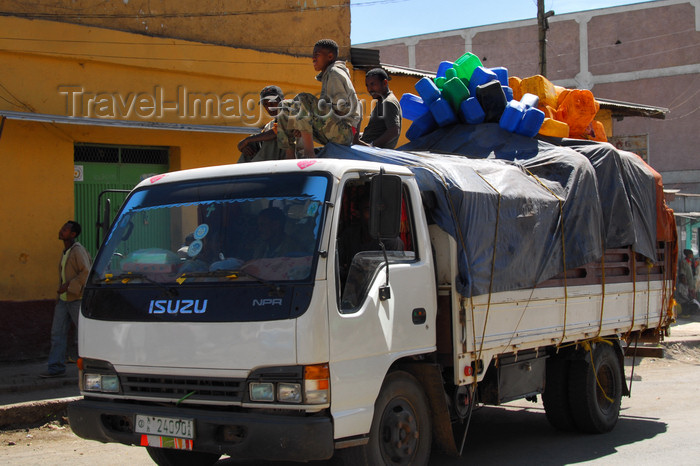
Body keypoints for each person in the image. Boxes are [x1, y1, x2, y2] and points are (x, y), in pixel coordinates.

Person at [276, 39, 362, 159]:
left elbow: (342, 109)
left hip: (344, 132)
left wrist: (307, 119)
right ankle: (289, 156)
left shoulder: (334, 73)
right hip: (332, 130)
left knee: (303, 98)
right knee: (284, 106)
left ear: (330, 56)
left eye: (317, 55)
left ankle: (309, 153)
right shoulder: (328, 74)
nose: (313, 59)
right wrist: (300, 123)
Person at [41, 221, 91, 378]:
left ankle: (93, 366)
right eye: (62, 228)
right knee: (57, 333)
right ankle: (55, 368)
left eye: (65, 229)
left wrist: (68, 286)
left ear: (73, 234)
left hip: (76, 299)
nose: (61, 231)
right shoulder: (67, 251)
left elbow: (86, 272)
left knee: (84, 334)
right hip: (63, 300)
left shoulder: (77, 251)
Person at [237, 85, 286, 163]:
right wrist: (243, 145)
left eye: (272, 103)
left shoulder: (291, 116)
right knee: (252, 143)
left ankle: (256, 166)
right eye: (266, 104)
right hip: (274, 163)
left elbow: (276, 132)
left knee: (270, 138)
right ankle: (242, 170)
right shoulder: (269, 125)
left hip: (291, 162)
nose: (270, 107)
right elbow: (258, 138)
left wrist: (247, 140)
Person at [356, 68, 402, 149]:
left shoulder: (388, 102)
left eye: (373, 84)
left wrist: (371, 146)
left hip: (372, 154)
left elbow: (394, 131)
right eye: (367, 85)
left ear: (384, 83)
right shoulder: (382, 101)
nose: (369, 89)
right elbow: (376, 131)